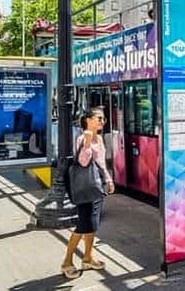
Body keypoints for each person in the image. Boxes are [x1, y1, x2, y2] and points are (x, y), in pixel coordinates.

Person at [61, 107, 114, 280]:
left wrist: (108, 180)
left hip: (96, 186)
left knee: (93, 225)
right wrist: (87, 145)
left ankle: (87, 257)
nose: (102, 121)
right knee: (83, 226)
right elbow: (83, 162)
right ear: (88, 120)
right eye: (99, 118)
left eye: (103, 118)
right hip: (85, 188)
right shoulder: (84, 137)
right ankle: (67, 262)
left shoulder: (98, 138)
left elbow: (101, 164)